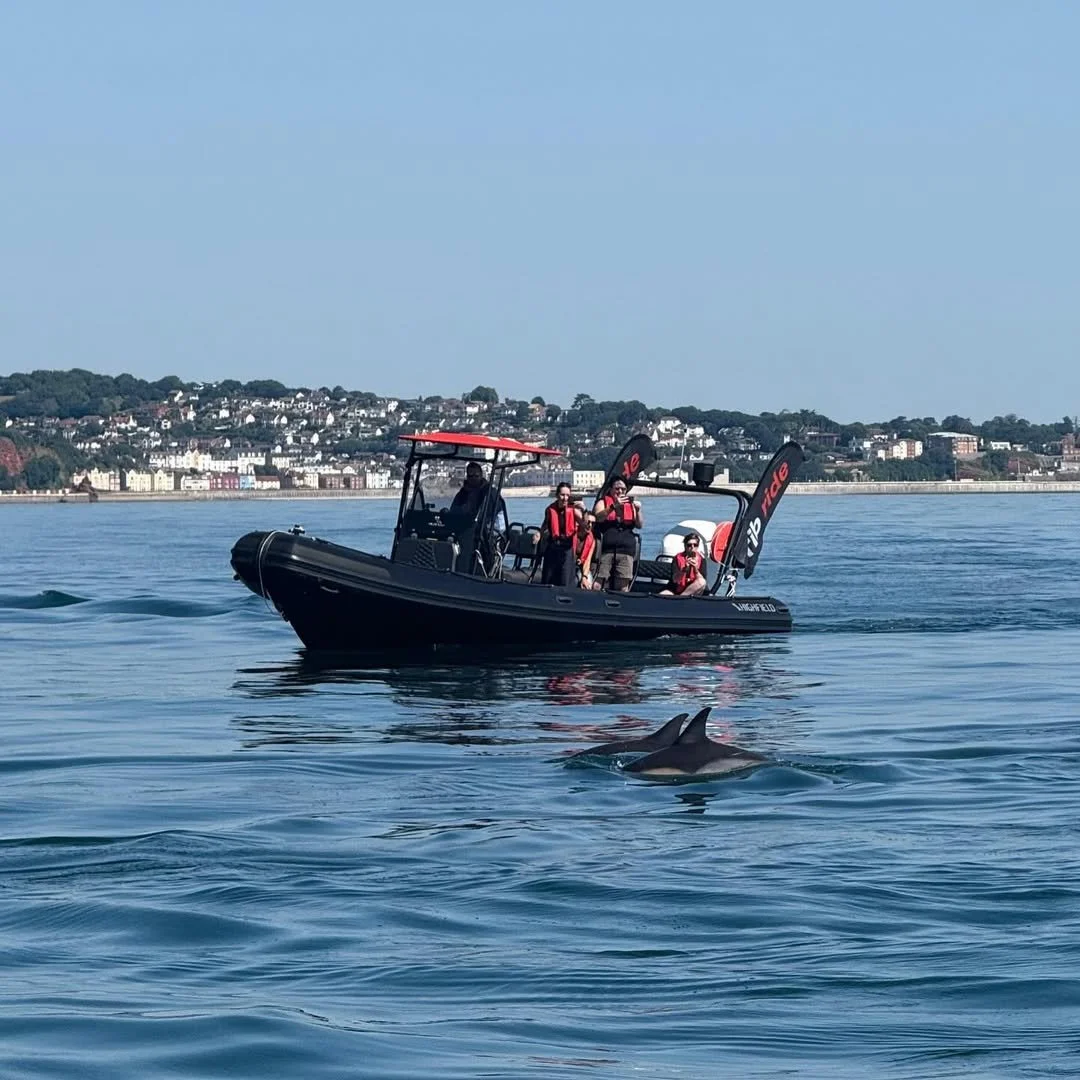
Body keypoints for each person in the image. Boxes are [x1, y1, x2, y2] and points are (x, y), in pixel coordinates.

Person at [592, 478, 643, 592]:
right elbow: (598, 518)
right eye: (617, 489)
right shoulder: (602, 502)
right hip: (606, 550)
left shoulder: (631, 505)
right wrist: (613, 506)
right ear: (610, 489)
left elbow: (639, 525)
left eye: (623, 489)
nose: (620, 491)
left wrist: (638, 510)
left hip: (626, 549)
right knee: (598, 583)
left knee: (623, 585)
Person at [538, 482, 582, 586]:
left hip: (566, 549)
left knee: (565, 581)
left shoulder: (574, 510)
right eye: (562, 495)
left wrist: (583, 510)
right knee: (548, 580)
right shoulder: (550, 510)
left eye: (567, 495)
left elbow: (585, 525)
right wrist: (538, 534)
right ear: (557, 495)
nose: (565, 498)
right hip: (553, 548)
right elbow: (544, 526)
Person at [659, 531, 709, 597]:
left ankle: (680, 599)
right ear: (685, 546)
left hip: (693, 590)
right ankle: (680, 599)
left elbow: (702, 581)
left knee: (702, 582)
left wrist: (695, 569)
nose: (692, 547)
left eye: (695, 545)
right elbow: (675, 579)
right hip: (676, 589)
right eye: (689, 545)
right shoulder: (677, 558)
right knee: (662, 595)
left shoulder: (702, 560)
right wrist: (684, 569)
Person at [575, 511, 597, 589]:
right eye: (588, 522)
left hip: (581, 567)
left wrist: (584, 577)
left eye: (593, 524)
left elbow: (588, 560)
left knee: (588, 583)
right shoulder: (573, 533)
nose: (590, 525)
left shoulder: (592, 540)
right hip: (569, 564)